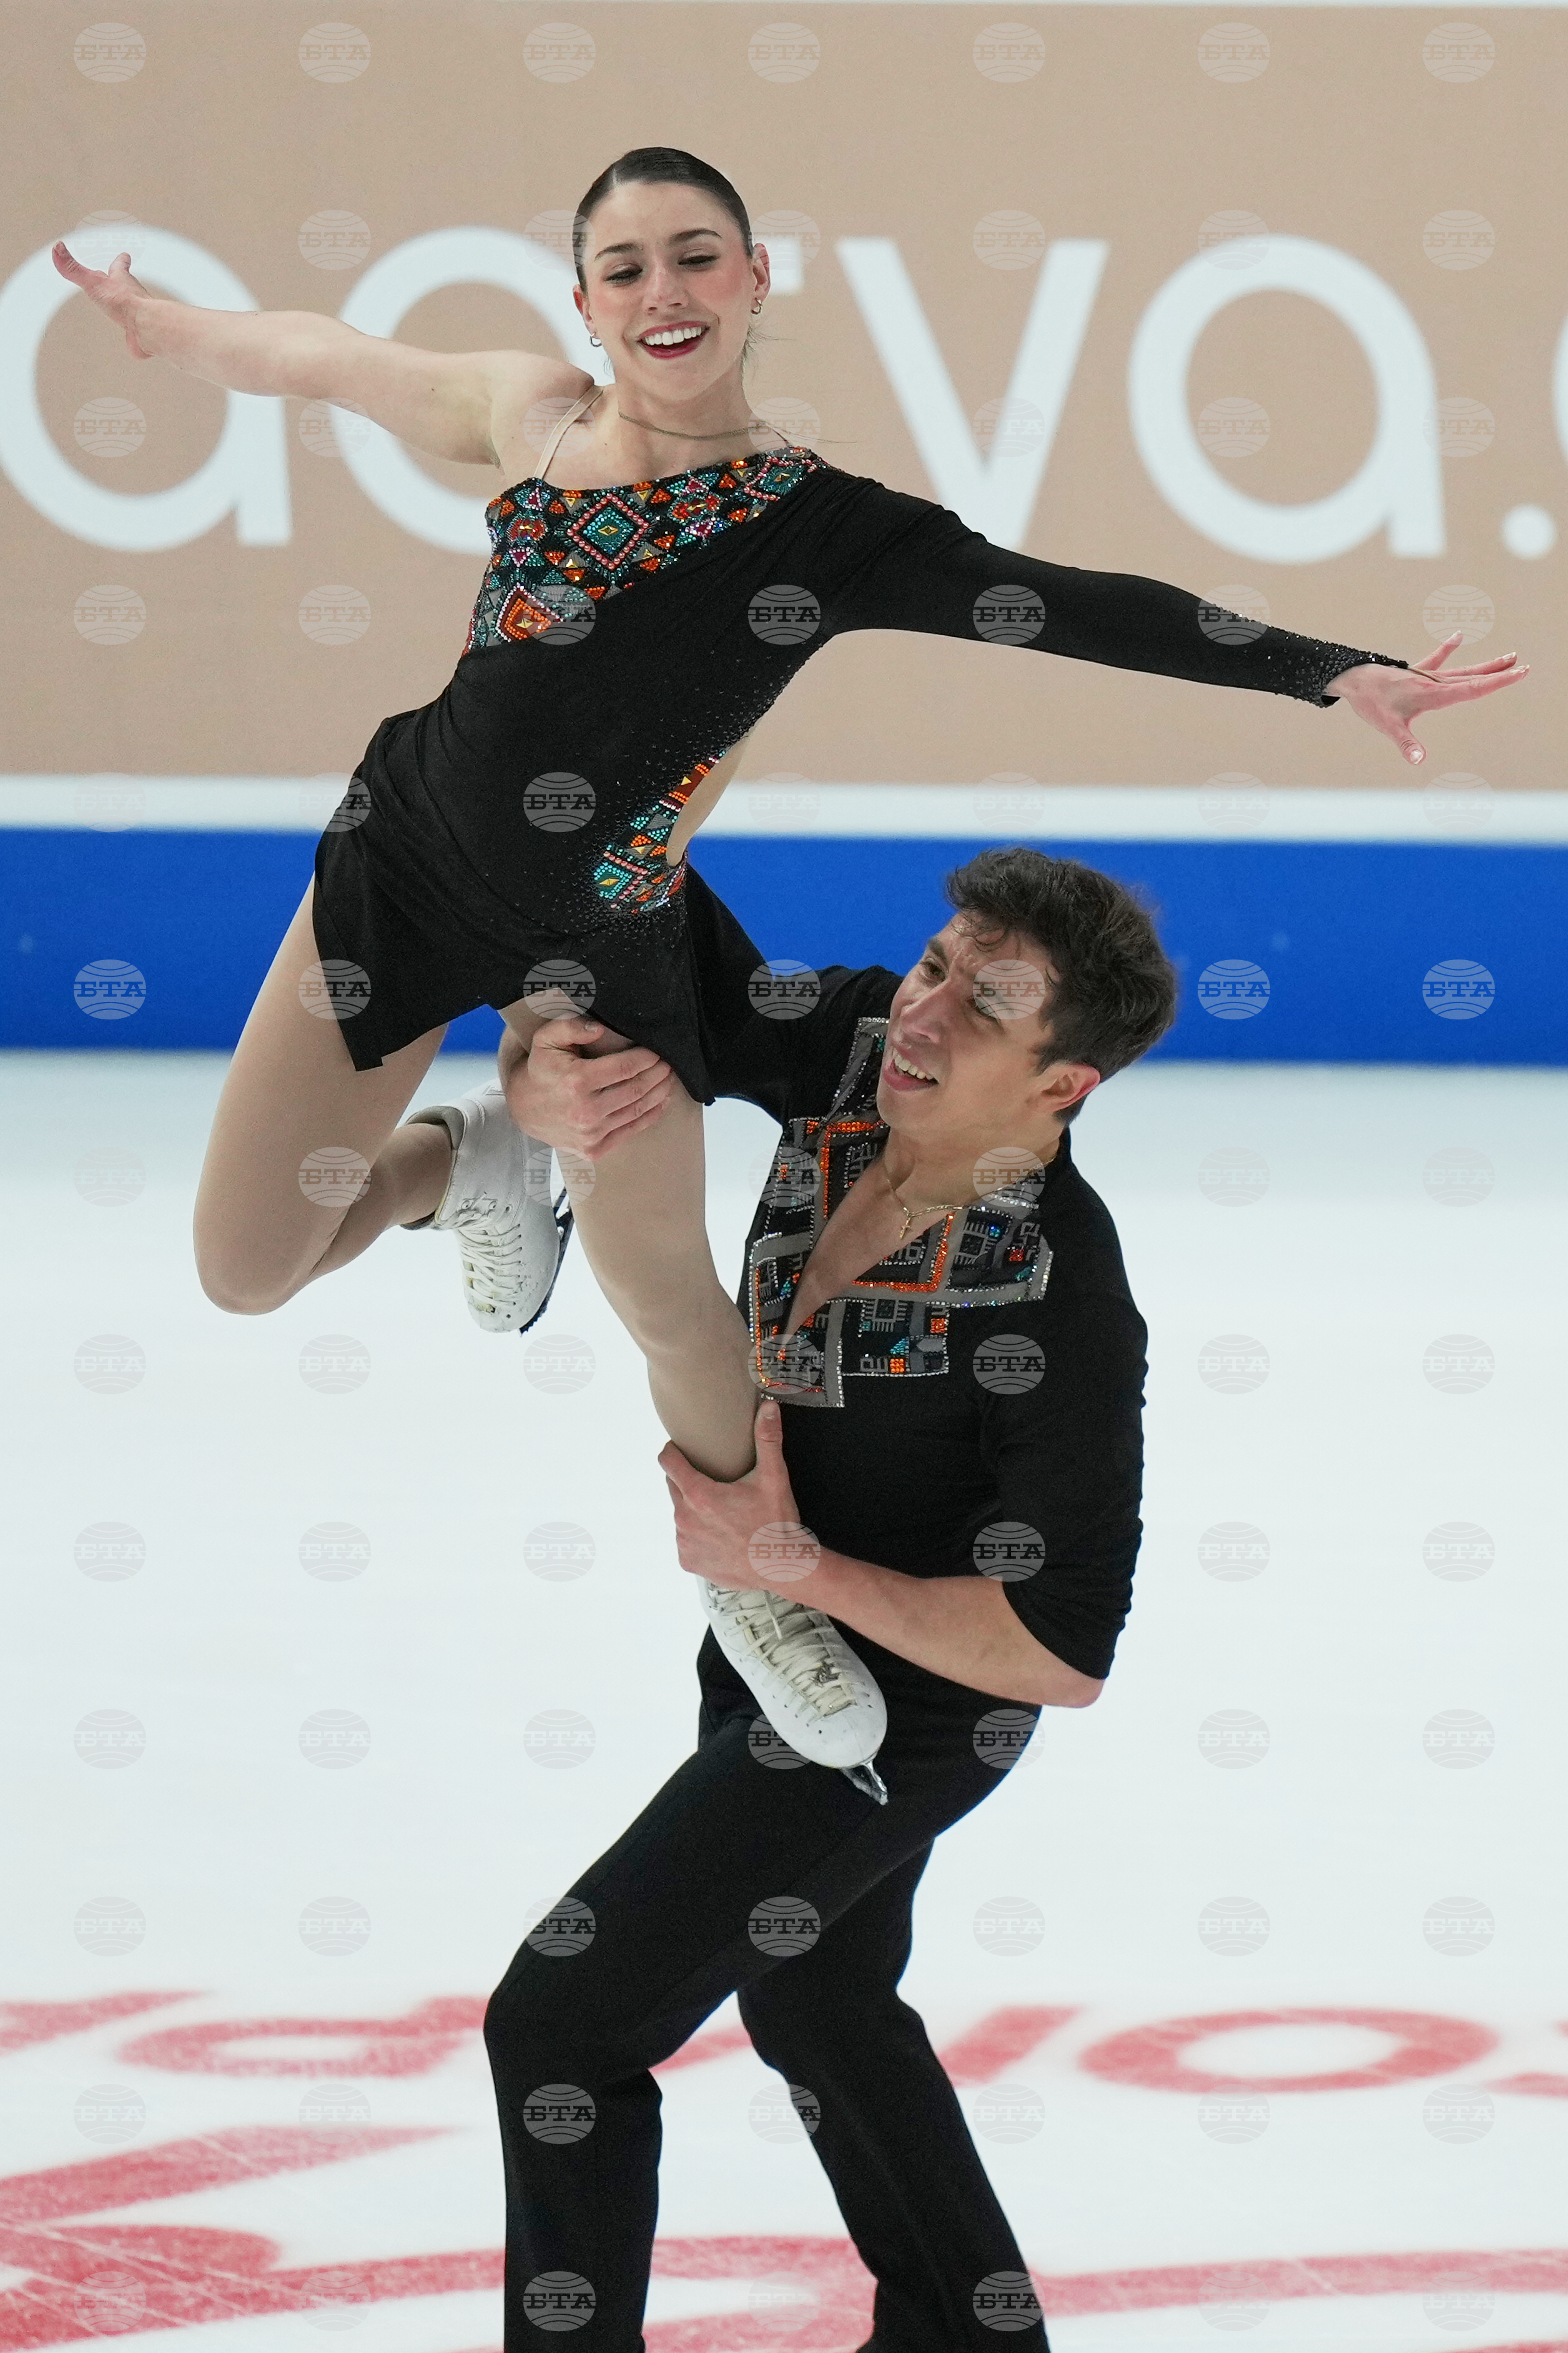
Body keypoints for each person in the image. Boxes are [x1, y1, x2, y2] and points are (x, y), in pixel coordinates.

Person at [52, 144, 1526, 1771]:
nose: (662, 295)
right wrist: (159, 324)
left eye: (697, 259)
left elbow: (1072, 600)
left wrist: (1329, 674)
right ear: (585, 300)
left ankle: (750, 1583)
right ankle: (467, 1161)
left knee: (669, 1303)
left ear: (757, 280)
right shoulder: (528, 418)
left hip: (606, 936)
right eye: (626, 268)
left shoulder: (830, 531)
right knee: (251, 1266)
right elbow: (318, 359)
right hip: (399, 868)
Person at [477, 844, 1164, 2351]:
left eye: (986, 1007)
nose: (920, 1017)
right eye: (932, 967)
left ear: (1064, 1086)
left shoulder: (1056, 1300)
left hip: (908, 1715)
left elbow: (1054, 1652)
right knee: (818, 1999)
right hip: (763, 1643)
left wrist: (796, 1567)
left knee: (560, 2027)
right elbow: (647, 923)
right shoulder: (859, 1050)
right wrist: (538, 1062)